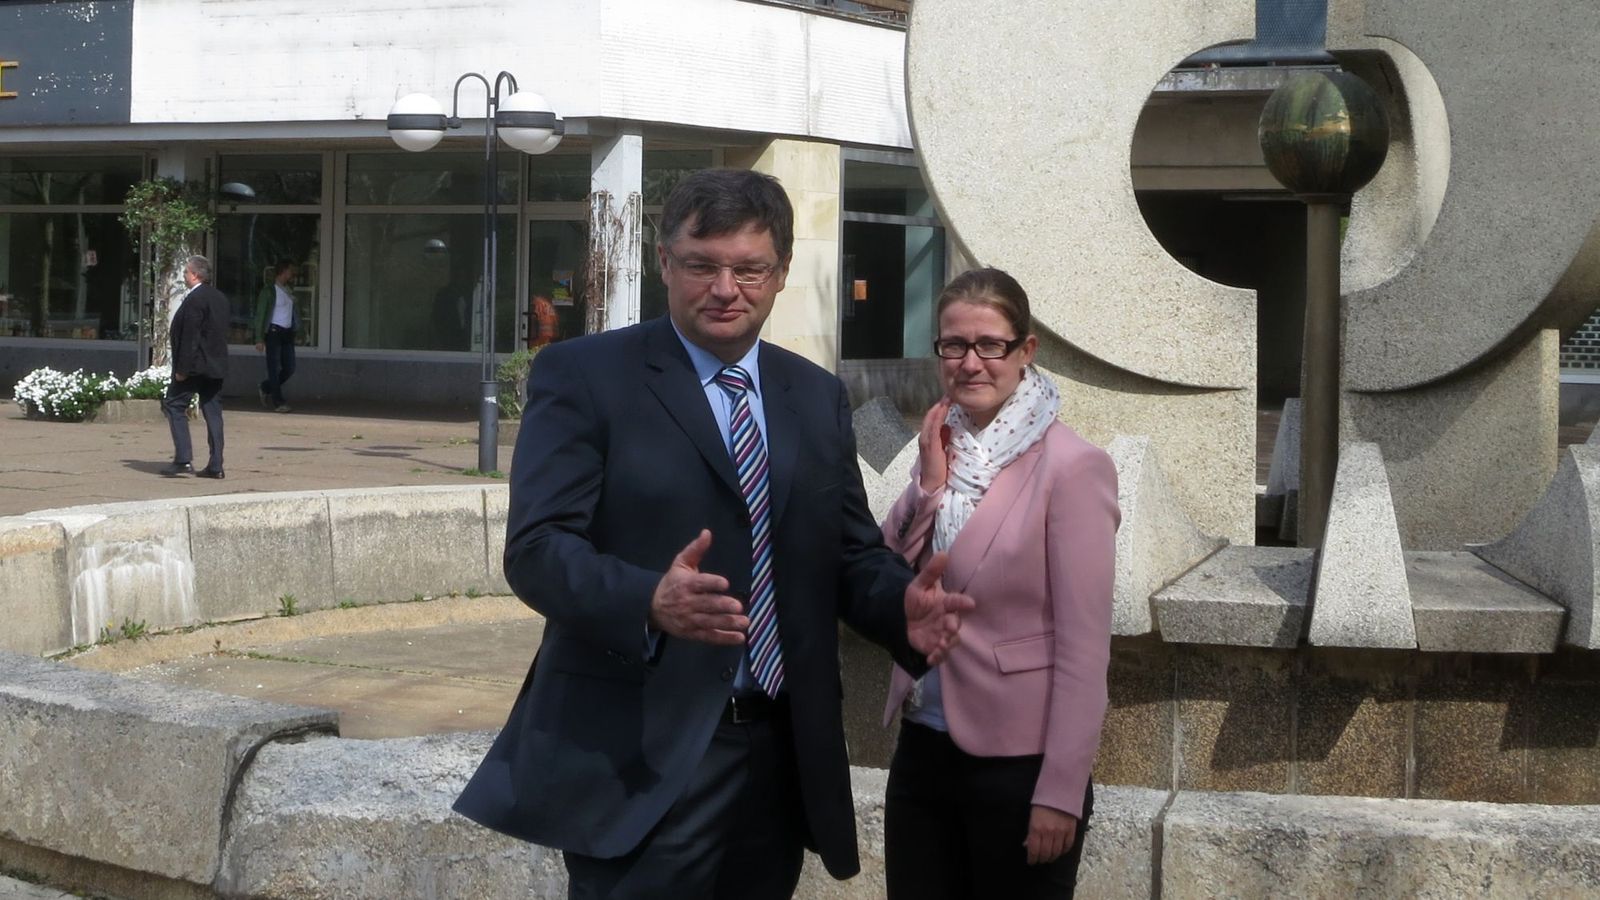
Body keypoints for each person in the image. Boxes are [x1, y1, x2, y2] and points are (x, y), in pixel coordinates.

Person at [453, 168, 974, 899]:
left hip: (779, 752)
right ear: (665, 263)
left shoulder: (814, 394)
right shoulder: (584, 375)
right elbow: (537, 551)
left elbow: (849, 551)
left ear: (782, 272)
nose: (725, 288)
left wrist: (900, 609)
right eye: (702, 265)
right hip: (641, 753)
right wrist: (647, 599)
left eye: (749, 269)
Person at [879, 268, 1119, 899]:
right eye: (954, 345)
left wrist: (1061, 792)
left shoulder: (1073, 467)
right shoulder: (940, 444)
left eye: (990, 345)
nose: (970, 362)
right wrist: (927, 488)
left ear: (1025, 351)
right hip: (923, 744)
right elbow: (881, 572)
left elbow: (1085, 646)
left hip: (1020, 763)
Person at [161, 255, 230, 479]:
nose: (184, 276)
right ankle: (216, 464)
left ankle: (183, 459)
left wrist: (182, 369)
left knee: (174, 404)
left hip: (195, 366)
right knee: (213, 411)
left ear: (196, 275)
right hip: (215, 365)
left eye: (186, 273)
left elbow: (190, 336)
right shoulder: (220, 298)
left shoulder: (195, 299)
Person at [253, 259, 299, 412]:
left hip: (287, 332)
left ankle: (266, 387)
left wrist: (298, 330)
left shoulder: (288, 290)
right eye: (290, 271)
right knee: (273, 367)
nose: (292, 274)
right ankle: (278, 402)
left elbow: (292, 313)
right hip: (273, 331)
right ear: (283, 271)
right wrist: (259, 338)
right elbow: (260, 314)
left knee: (290, 367)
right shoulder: (269, 291)